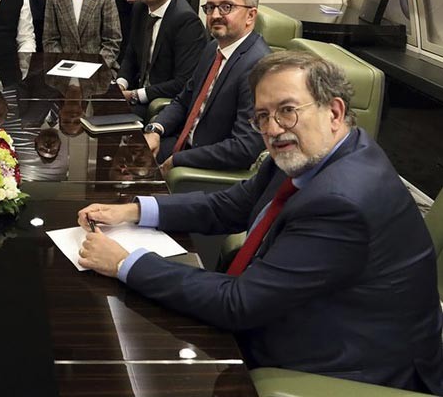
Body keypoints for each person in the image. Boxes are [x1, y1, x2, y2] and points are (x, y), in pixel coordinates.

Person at [77, 50, 443, 394]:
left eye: (287, 110)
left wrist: (124, 262)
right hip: (305, 312)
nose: (272, 128)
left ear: (334, 112)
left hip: (348, 366)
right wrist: (134, 211)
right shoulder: (316, 151)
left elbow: (239, 303)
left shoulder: (342, 202)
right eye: (263, 116)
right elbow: (230, 205)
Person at [144, 0, 269, 172]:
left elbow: (244, 148)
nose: (215, 15)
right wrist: (156, 129)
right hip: (182, 144)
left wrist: (179, 160)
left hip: (206, 167)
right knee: (122, 157)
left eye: (226, 7)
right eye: (210, 7)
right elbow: (184, 100)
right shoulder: (213, 48)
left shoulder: (258, 66)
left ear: (251, 15)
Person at [116, 0, 206, 114]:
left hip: (161, 104)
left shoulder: (186, 21)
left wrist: (135, 95)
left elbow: (184, 82)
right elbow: (131, 54)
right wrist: (120, 84)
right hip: (137, 92)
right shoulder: (140, 8)